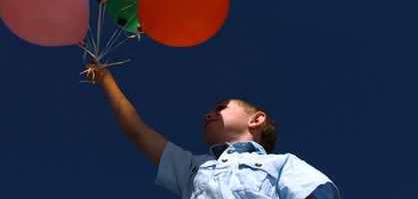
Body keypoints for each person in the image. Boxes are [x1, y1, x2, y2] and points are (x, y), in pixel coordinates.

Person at [91, 67, 340, 199]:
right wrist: (106, 79)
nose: (207, 115)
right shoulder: (192, 167)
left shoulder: (282, 164)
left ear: (256, 120)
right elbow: (137, 130)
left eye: (221, 108)